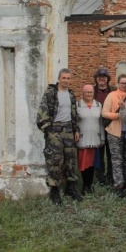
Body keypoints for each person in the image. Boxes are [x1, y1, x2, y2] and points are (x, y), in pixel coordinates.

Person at [36, 68, 82, 204]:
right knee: (54, 160)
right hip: (55, 130)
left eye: (68, 78)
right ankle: (54, 190)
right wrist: (48, 131)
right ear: (59, 79)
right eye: (64, 78)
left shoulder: (71, 94)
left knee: (70, 160)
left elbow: (74, 114)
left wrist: (76, 130)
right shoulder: (51, 93)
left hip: (69, 130)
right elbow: (42, 113)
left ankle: (71, 187)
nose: (66, 81)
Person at [102, 74, 126, 197]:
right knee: (116, 160)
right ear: (118, 83)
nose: (124, 85)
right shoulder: (112, 95)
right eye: (122, 82)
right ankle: (119, 185)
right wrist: (117, 115)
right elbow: (104, 113)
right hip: (115, 132)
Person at [76, 84, 106, 195]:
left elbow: (101, 123)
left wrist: (102, 137)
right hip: (83, 138)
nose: (89, 94)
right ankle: (85, 184)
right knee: (84, 162)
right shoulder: (77, 105)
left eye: (91, 92)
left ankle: (90, 184)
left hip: (95, 138)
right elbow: (75, 122)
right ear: (82, 93)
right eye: (86, 92)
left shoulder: (98, 105)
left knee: (92, 162)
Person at [93, 68, 114, 186]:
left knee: (111, 153)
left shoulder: (113, 90)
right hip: (97, 126)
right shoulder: (92, 91)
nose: (101, 78)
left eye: (104, 76)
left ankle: (111, 176)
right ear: (96, 78)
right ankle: (100, 178)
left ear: (107, 78)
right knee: (98, 154)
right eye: (99, 76)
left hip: (111, 126)